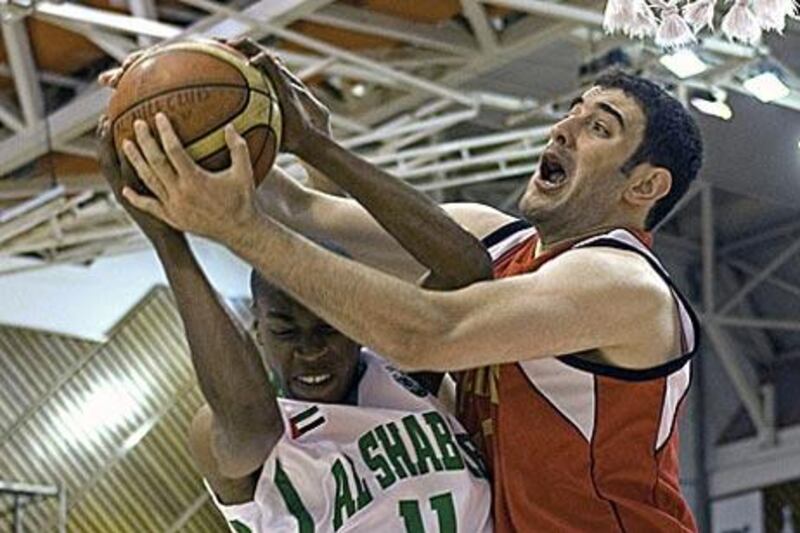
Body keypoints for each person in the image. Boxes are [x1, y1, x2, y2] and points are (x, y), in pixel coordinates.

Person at [111, 39, 703, 531]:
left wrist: (238, 229)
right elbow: (299, 207)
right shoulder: (498, 241)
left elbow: (429, 333)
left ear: (645, 186)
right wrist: (167, 113)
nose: (563, 130)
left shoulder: (623, 284)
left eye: (598, 127)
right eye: (571, 112)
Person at [96, 84, 494, 531]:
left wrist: (315, 145)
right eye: (286, 331)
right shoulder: (228, 430)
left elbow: (468, 267)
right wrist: (167, 240)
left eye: (327, 329)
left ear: (354, 324)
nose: (309, 350)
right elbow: (250, 422)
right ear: (258, 329)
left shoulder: (402, 365)